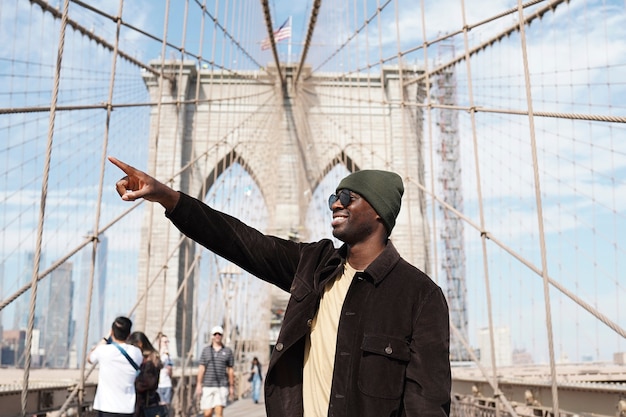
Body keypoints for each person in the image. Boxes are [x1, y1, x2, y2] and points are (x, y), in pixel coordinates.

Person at [109, 156, 451, 417]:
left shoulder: (420, 296)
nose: (335, 203)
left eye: (348, 196)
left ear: (379, 212)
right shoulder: (315, 266)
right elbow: (240, 241)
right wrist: (166, 196)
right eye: (334, 195)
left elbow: (427, 404)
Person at [88, 316, 144, 417]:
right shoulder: (137, 353)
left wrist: (105, 338)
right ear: (129, 334)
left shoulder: (103, 350)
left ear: (112, 332)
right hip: (127, 408)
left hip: (106, 407)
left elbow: (90, 358)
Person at [195, 325, 235, 417]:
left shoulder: (228, 351)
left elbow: (230, 370)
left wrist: (231, 386)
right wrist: (198, 384)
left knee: (219, 412)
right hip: (207, 386)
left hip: (222, 386)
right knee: (207, 413)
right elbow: (201, 368)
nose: (217, 336)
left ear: (222, 336)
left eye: (219, 334)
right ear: (212, 336)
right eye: (215, 334)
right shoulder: (206, 351)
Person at [128, 331, 163, 417]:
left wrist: (129, 382)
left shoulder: (150, 361)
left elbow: (145, 383)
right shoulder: (147, 360)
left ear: (139, 344)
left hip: (144, 405)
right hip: (143, 403)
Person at [156, 332, 174, 406]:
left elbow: (171, 371)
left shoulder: (169, 356)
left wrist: (170, 370)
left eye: (167, 342)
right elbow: (155, 366)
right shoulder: (155, 354)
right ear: (159, 342)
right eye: (164, 342)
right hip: (158, 385)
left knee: (166, 407)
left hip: (167, 384)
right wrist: (160, 353)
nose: (166, 344)